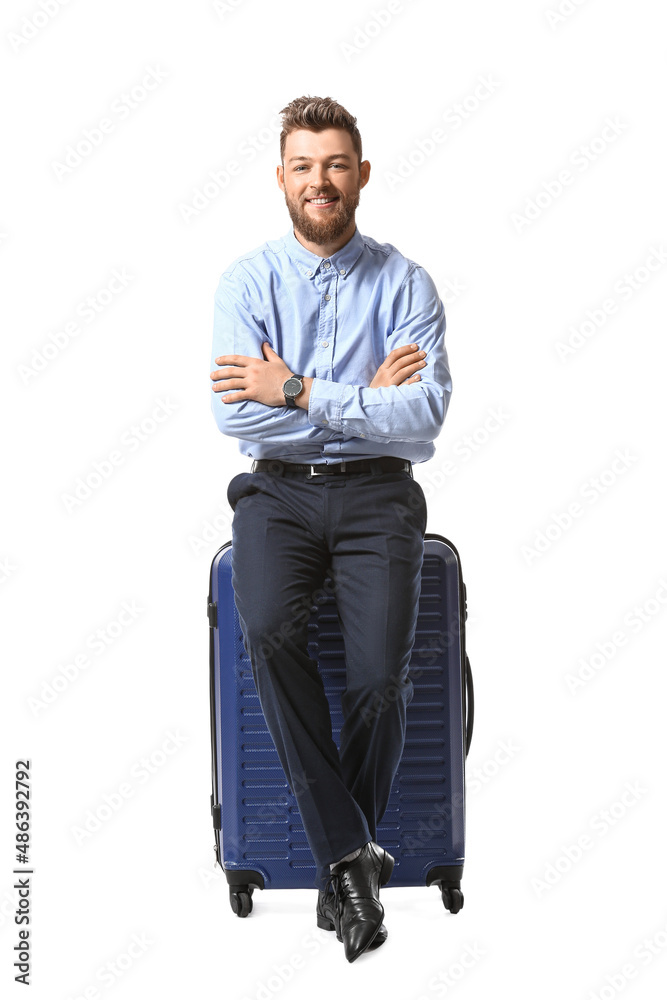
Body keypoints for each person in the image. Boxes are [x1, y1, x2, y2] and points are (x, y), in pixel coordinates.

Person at [209, 95, 452, 962]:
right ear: (282, 177)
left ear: (362, 175)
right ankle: (352, 858)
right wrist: (364, 402)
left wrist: (303, 391)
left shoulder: (406, 282)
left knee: (382, 673)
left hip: (381, 497)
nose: (321, 181)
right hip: (275, 497)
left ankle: (335, 861)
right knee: (268, 629)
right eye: (304, 166)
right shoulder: (247, 282)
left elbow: (423, 418)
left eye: (336, 165)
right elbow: (238, 418)